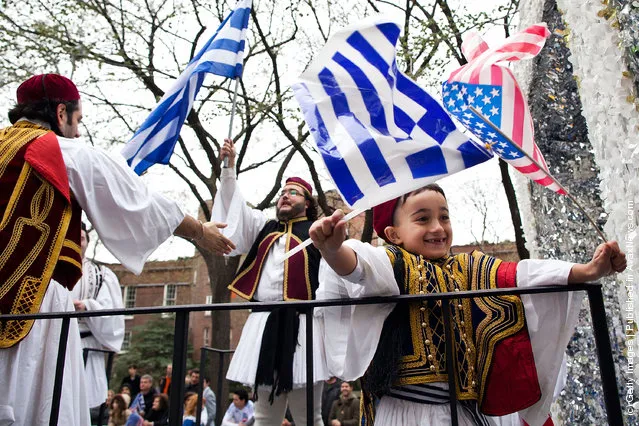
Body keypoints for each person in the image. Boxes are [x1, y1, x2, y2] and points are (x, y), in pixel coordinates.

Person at [0, 73, 235, 426]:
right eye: (77, 121)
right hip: (29, 302)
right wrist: (200, 231)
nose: (78, 132)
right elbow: (137, 201)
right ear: (61, 112)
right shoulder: (56, 149)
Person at [310, 184, 627, 426]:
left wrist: (588, 270)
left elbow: (520, 275)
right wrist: (333, 250)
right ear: (393, 233)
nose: (438, 227)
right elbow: (359, 267)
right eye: (423, 219)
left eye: (444, 217)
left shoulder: (471, 267)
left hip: (467, 414)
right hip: (410, 413)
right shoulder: (391, 262)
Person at [213, 138, 329, 426]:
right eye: (282, 193)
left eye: (293, 192)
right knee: (265, 416)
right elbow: (235, 211)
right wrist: (229, 169)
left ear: (307, 202)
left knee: (309, 417)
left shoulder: (319, 235)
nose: (284, 197)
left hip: (305, 328)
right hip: (263, 326)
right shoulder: (263, 228)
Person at [74, 221, 125, 416]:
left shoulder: (101, 275)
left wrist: (88, 306)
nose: (79, 243)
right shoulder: (48, 270)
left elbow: (113, 316)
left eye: (82, 238)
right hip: (54, 342)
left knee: (84, 404)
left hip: (87, 343)